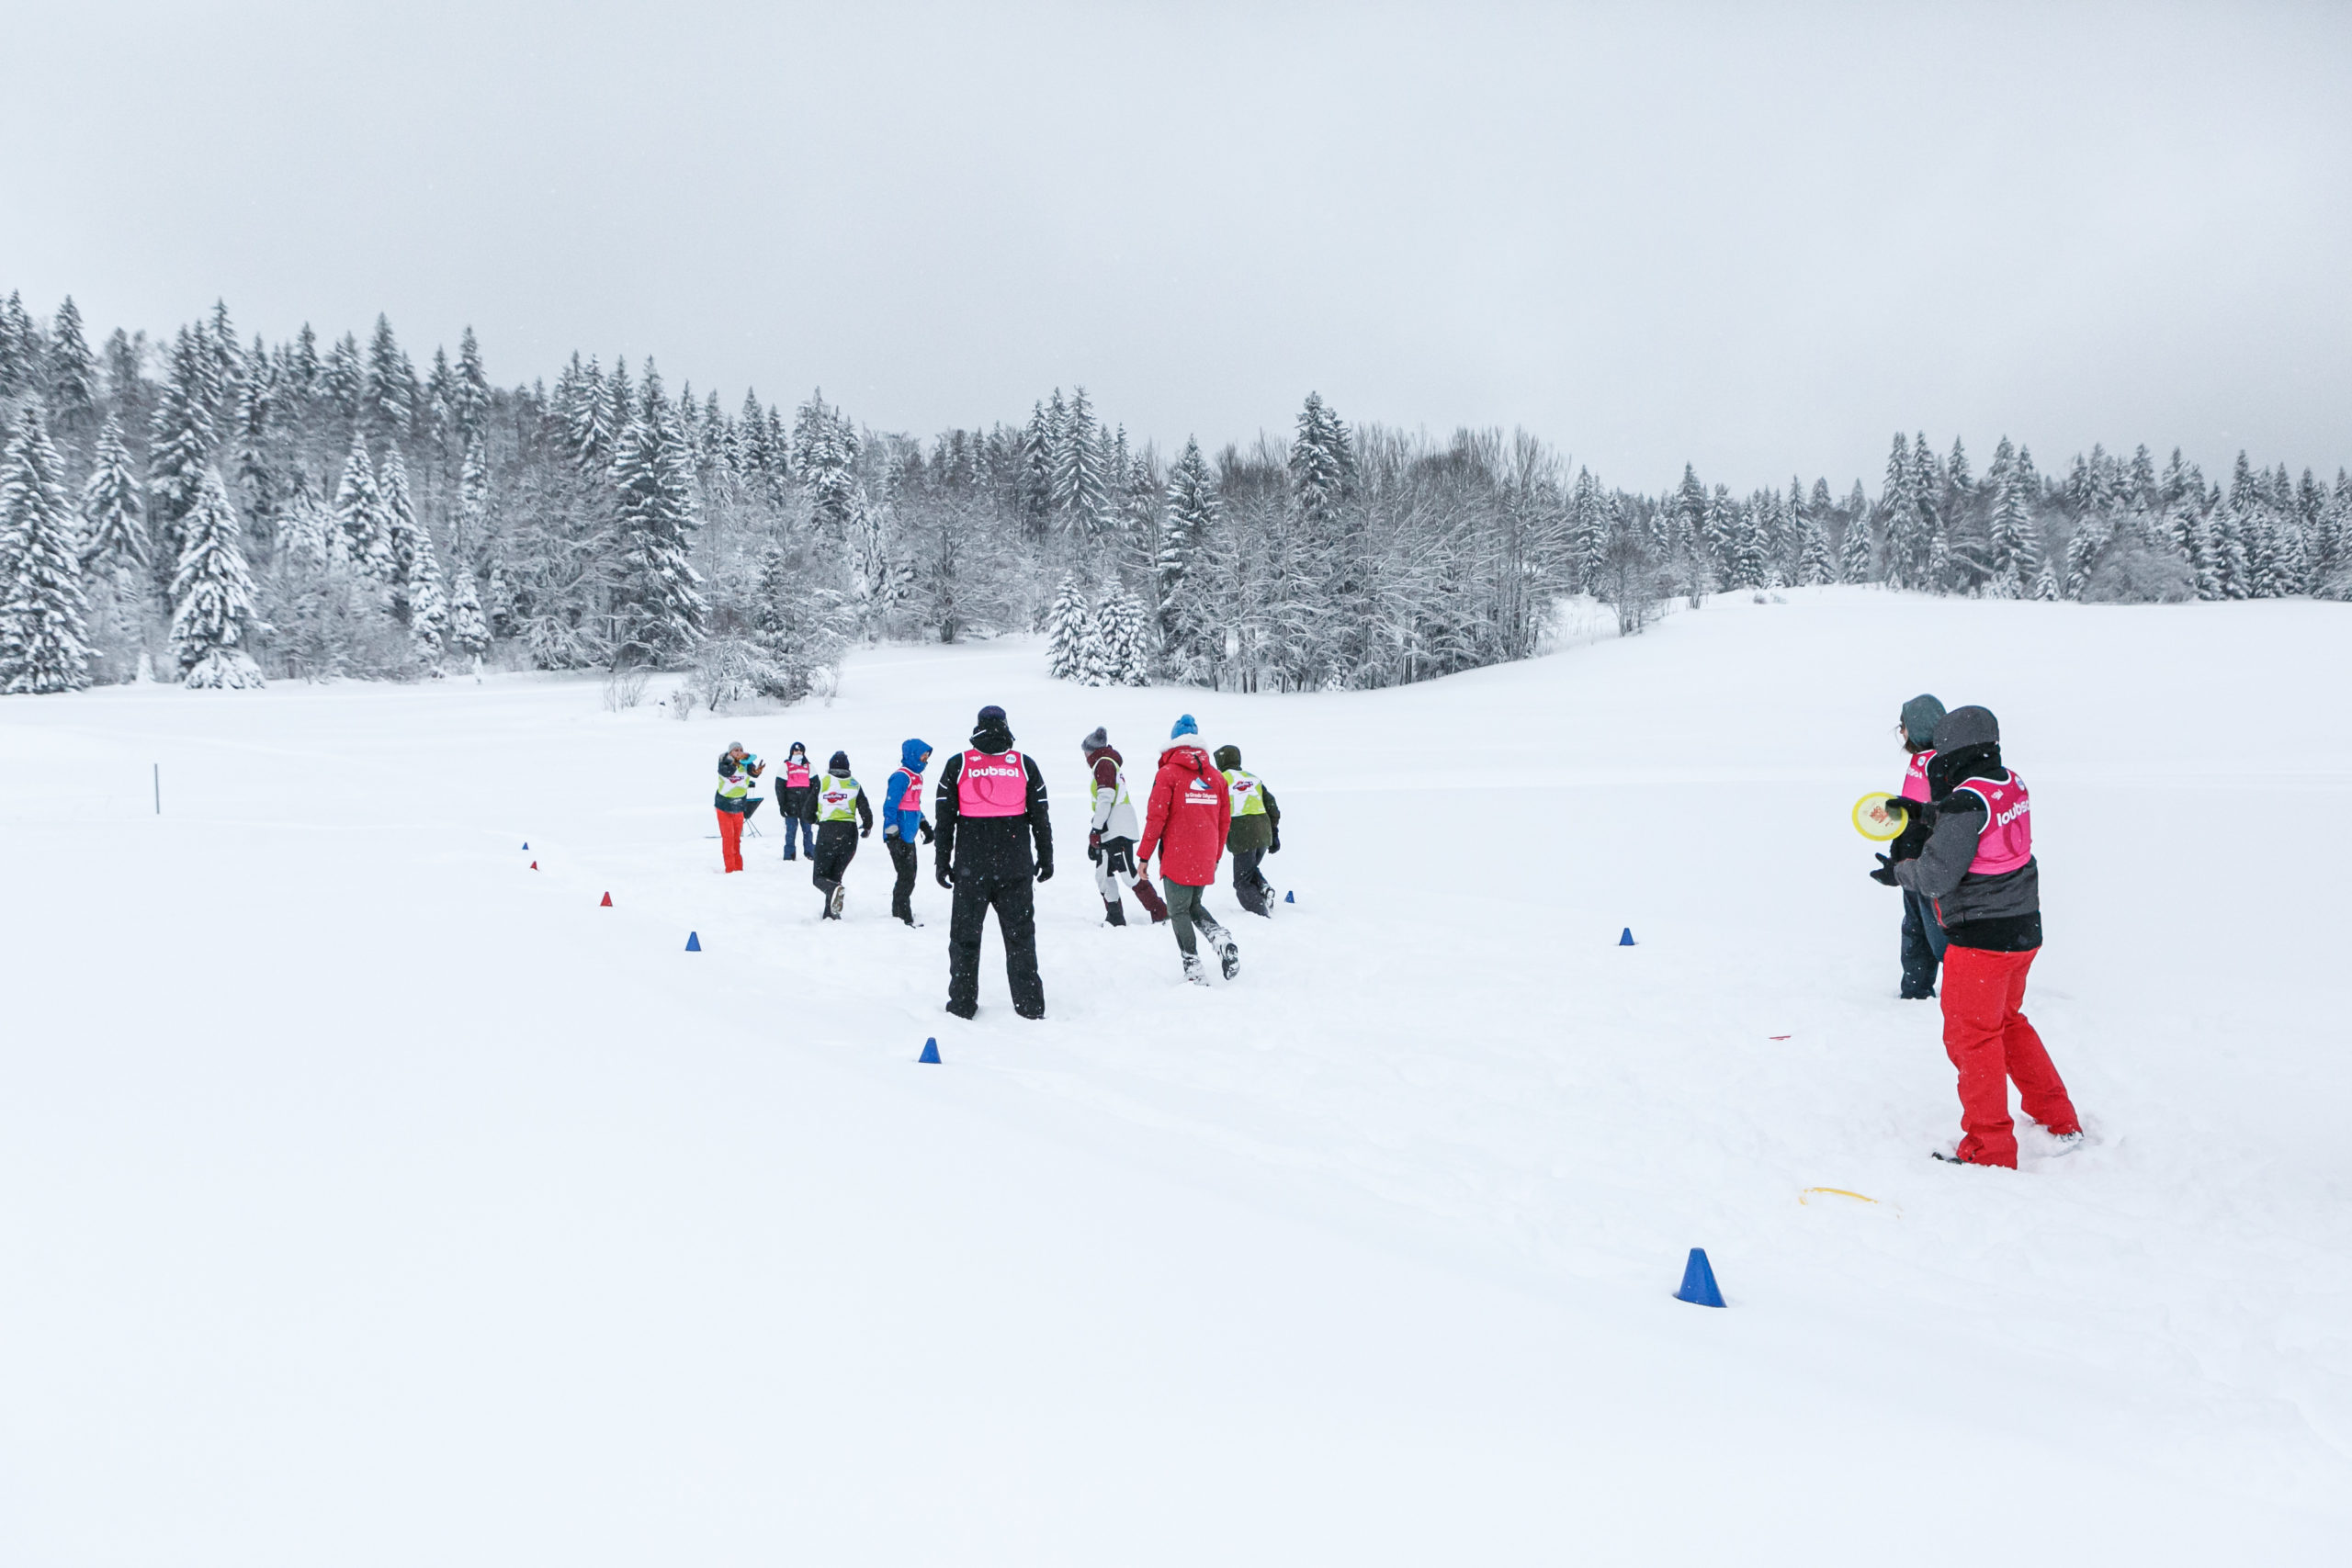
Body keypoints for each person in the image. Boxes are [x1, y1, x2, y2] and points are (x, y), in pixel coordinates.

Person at [1880, 705, 2084, 1168]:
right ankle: (2058, 1119)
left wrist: (1899, 873)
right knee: (2008, 1023)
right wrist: (1923, 813)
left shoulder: (1962, 804)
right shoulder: (2008, 781)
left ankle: (1989, 1149)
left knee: (1972, 1039)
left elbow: (1935, 876)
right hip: (2023, 931)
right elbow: (1973, 819)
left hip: (1981, 941)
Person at [934, 705, 1052, 1019]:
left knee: (964, 938)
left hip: (971, 867)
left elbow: (944, 819)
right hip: (1016, 866)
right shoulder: (1024, 765)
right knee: (1021, 937)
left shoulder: (958, 764)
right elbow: (1041, 815)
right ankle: (1030, 1005)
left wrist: (941, 861)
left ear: (978, 727)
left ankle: (961, 1004)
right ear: (1005, 726)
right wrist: (1046, 856)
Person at [1137, 714, 1237, 986]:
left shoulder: (1168, 774)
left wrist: (1144, 856)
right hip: (1205, 853)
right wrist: (1215, 856)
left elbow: (1155, 818)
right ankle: (1220, 938)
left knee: (1178, 910)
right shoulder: (1217, 778)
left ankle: (1193, 966)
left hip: (1178, 853)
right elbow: (1224, 821)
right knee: (1193, 905)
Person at [1885, 694, 1948, 998]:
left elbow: (1940, 815)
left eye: (1904, 725)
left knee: (1936, 927)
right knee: (1914, 925)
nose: (1902, 732)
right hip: (1909, 860)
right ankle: (1915, 989)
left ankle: (1967, 986)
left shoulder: (1941, 763)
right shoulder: (1919, 760)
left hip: (1929, 862)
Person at [1081, 726, 1169, 927]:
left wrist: (1096, 829)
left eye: (1085, 752)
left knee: (1129, 875)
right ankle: (1114, 916)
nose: (1084, 756)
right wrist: (1096, 830)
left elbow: (1106, 798)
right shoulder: (1104, 763)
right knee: (1103, 875)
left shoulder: (1103, 764)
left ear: (1092, 751)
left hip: (1117, 829)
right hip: (1108, 830)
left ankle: (1160, 911)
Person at [1212, 743, 1282, 917]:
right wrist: (1274, 833)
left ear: (1220, 761)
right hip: (1264, 832)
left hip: (1243, 834)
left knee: (1241, 882)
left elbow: (1213, 809)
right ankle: (1264, 889)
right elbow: (1271, 805)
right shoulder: (1253, 778)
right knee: (1249, 869)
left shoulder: (1220, 780)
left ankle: (1261, 912)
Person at [807, 750, 872, 919]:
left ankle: (832, 900)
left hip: (827, 831)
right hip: (849, 834)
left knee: (820, 877)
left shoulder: (823, 782)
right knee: (835, 876)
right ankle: (831, 915)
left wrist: (816, 820)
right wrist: (867, 827)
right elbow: (865, 809)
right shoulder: (854, 784)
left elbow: (807, 811)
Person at [880, 739, 936, 927]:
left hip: (909, 834)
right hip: (897, 835)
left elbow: (914, 805)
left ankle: (899, 912)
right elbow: (890, 806)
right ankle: (902, 915)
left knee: (910, 875)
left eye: (927, 757)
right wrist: (893, 834)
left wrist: (925, 825)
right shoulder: (901, 776)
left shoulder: (917, 777)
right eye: (922, 756)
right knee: (906, 876)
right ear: (912, 755)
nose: (925, 760)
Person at [713, 741, 765, 874]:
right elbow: (727, 772)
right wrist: (736, 763)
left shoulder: (746, 762)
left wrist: (756, 771)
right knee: (728, 839)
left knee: (736, 839)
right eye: (735, 750)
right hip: (724, 806)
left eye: (740, 749)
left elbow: (752, 773)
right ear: (730, 752)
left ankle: (738, 869)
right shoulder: (724, 762)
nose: (738, 752)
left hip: (739, 806)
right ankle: (730, 869)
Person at [776, 741, 817, 862]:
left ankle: (810, 852)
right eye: (796, 751)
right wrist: (782, 805)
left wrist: (813, 803)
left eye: (800, 751)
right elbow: (779, 787)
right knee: (790, 831)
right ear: (791, 752)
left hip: (806, 806)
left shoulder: (809, 766)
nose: (798, 753)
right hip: (791, 805)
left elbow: (816, 785)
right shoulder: (786, 766)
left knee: (808, 831)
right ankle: (789, 855)